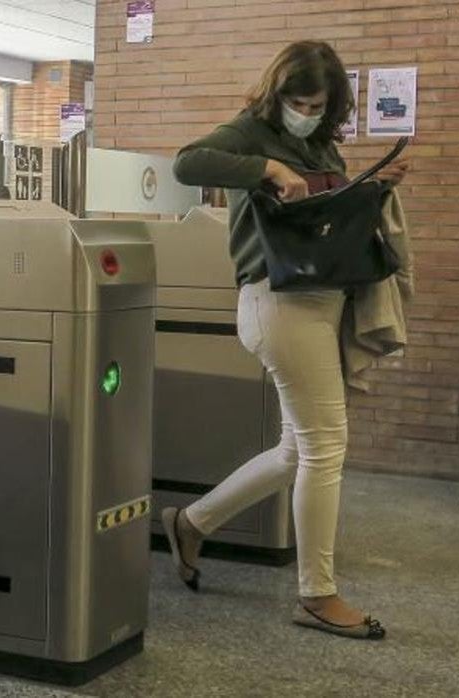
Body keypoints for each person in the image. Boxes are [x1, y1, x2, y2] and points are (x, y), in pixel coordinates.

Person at [167, 40, 411, 641]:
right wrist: (266, 169)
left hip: (322, 299)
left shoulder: (321, 142)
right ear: (277, 93)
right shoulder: (254, 130)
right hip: (277, 302)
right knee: (327, 446)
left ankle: (192, 523)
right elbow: (187, 162)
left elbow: (321, 218)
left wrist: (372, 187)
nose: (304, 109)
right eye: (297, 100)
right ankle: (316, 595)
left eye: (317, 102)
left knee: (298, 451)